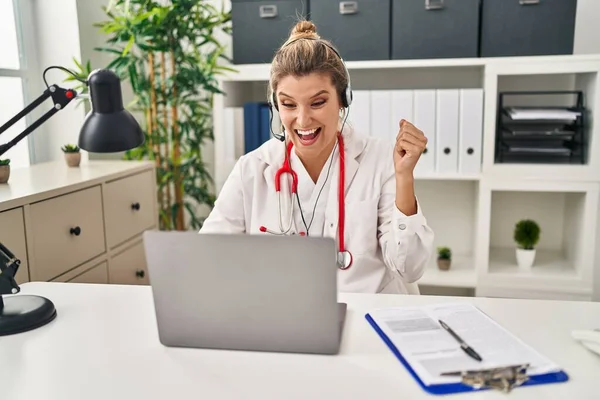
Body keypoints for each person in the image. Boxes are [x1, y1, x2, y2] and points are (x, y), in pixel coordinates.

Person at [200, 20, 434, 294]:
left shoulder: (381, 159)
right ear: (276, 105)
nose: (302, 119)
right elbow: (208, 257)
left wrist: (405, 176)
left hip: (365, 315)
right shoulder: (252, 169)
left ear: (343, 100)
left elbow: (410, 268)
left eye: (318, 102)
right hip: (285, 320)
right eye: (288, 104)